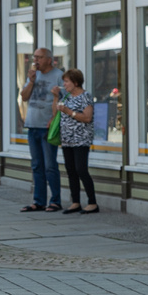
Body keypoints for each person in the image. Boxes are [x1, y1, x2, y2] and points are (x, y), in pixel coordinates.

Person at [18, 46, 64, 212]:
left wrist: (54, 119)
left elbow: (63, 101)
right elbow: (24, 97)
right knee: (37, 164)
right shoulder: (33, 75)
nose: (35, 60)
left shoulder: (58, 76)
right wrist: (31, 81)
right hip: (32, 125)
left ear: (49, 59)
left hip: (48, 127)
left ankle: (55, 201)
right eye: (34, 57)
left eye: (39, 57)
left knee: (50, 165)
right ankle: (39, 201)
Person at [54, 69, 99, 214]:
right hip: (67, 140)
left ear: (76, 82)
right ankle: (75, 201)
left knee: (81, 169)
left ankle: (92, 202)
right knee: (71, 170)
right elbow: (55, 113)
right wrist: (56, 98)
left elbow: (87, 117)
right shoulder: (66, 96)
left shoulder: (85, 96)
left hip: (81, 139)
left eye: (67, 81)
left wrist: (69, 112)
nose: (64, 84)